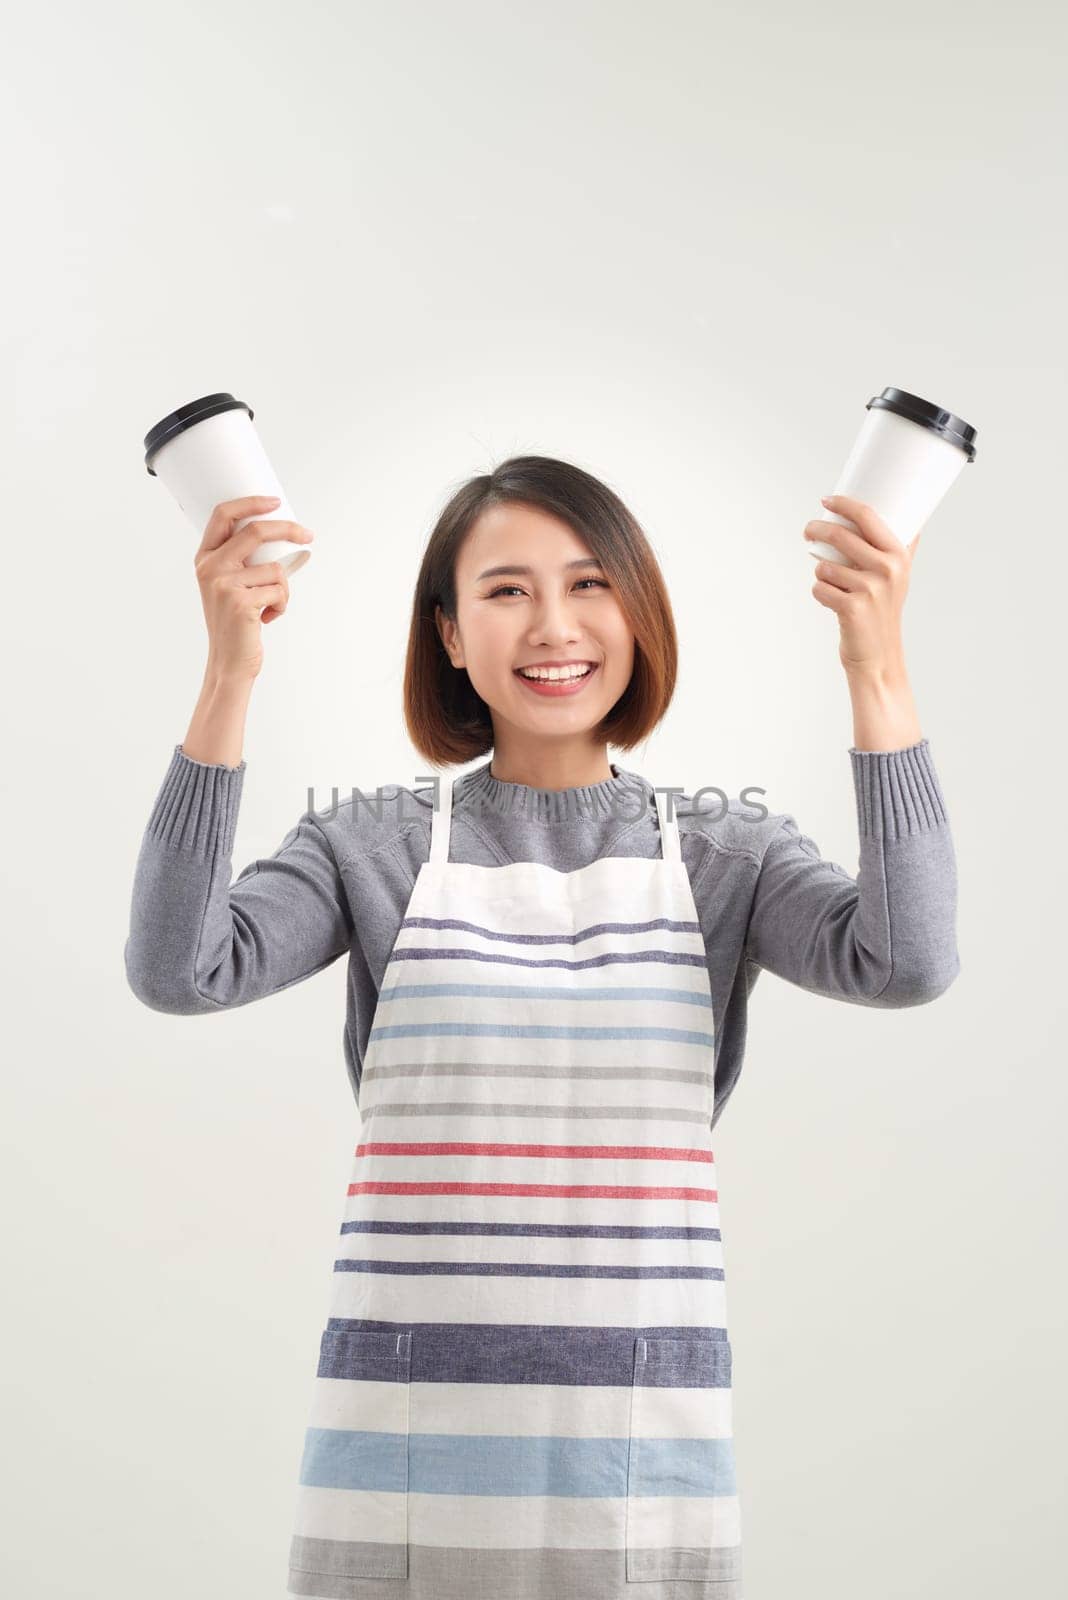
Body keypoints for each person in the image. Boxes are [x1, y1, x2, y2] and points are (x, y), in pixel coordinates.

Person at [125, 456, 959, 1599]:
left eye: (589, 584)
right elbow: (180, 968)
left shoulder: (728, 850)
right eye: (507, 590)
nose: (554, 626)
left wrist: (878, 667)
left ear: (639, 613)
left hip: (635, 1432)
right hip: (414, 1438)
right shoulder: (369, 843)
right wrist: (230, 674)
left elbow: (908, 960)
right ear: (452, 635)